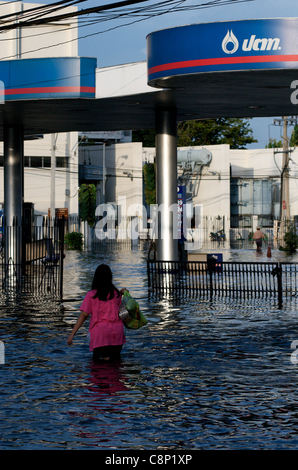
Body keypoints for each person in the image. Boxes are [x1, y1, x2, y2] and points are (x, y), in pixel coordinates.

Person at [67, 264, 127, 361]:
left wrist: (72, 334)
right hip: (117, 332)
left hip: (100, 333)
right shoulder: (116, 294)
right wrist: (120, 293)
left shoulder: (91, 295)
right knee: (115, 364)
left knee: (100, 366)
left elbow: (84, 315)